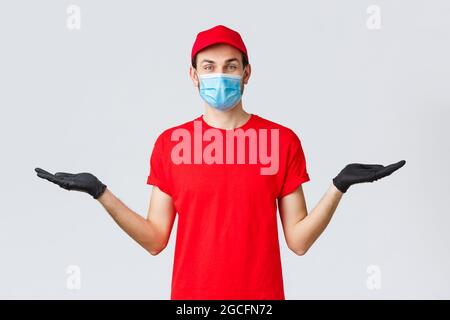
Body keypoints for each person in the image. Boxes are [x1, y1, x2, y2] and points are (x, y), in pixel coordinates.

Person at [35, 25, 406, 300]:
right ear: (194, 76)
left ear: (247, 73)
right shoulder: (171, 144)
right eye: (209, 67)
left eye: (231, 66)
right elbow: (155, 239)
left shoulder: (281, 141)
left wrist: (337, 187)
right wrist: (101, 193)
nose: (220, 75)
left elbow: (298, 241)